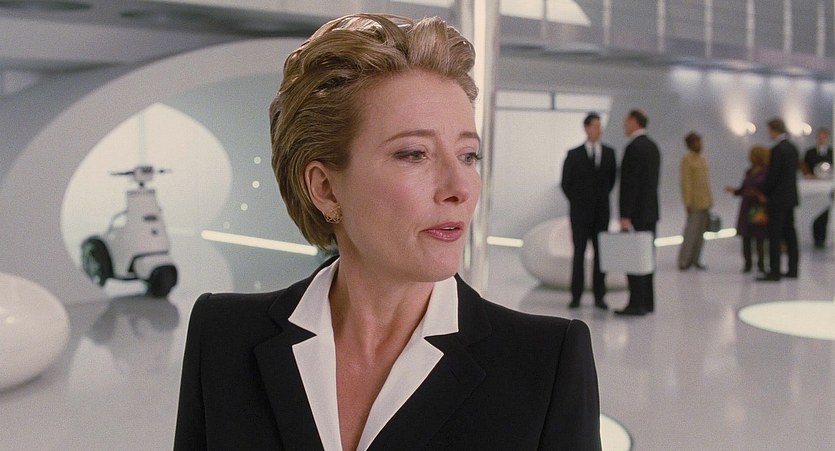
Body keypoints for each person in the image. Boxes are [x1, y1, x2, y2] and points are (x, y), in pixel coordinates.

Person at [174, 14, 602, 450]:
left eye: (468, 155)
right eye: (415, 154)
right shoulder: (223, 335)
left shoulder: (546, 362)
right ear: (324, 188)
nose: (459, 188)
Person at [561, 112, 616, 310]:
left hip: (601, 213)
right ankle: (576, 295)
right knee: (579, 254)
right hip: (580, 214)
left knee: (601, 256)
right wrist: (579, 203)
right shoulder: (574, 154)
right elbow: (566, 183)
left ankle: (600, 296)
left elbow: (611, 181)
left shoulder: (609, 153)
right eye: (595, 126)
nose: (598, 130)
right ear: (586, 128)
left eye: (600, 126)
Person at [616, 109, 660, 316]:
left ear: (634, 121)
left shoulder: (633, 148)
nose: (624, 125)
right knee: (648, 259)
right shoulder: (653, 147)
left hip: (636, 214)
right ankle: (648, 302)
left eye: (626, 121)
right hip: (651, 212)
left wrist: (625, 215)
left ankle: (636, 304)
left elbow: (630, 185)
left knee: (634, 259)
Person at [756, 117, 799, 281]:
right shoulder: (793, 148)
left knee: (774, 235)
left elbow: (773, 176)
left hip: (777, 199)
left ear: (775, 130)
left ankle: (774, 270)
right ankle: (793, 269)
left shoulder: (777, 150)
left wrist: (763, 192)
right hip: (790, 198)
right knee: (790, 234)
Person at [724, 145, 770, 273]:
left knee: (760, 237)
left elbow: (764, 188)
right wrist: (735, 191)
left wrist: (758, 195)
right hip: (747, 206)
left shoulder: (766, 172)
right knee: (746, 236)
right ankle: (747, 263)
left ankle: (761, 264)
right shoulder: (749, 171)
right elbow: (744, 188)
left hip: (758, 207)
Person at [677, 131, 713, 271]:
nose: (700, 145)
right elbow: (685, 182)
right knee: (691, 232)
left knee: (700, 233)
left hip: (705, 201)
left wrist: (710, 200)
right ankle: (684, 260)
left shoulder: (702, 159)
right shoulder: (687, 160)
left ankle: (695, 259)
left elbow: (706, 182)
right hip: (695, 202)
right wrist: (687, 202)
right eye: (697, 142)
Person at [800, 127, 833, 248]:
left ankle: (821, 239)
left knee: (824, 213)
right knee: (813, 213)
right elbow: (804, 166)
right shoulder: (810, 152)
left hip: (826, 188)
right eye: (819, 136)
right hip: (813, 188)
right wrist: (809, 175)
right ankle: (815, 238)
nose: (821, 139)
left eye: (823, 137)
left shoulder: (831, 152)